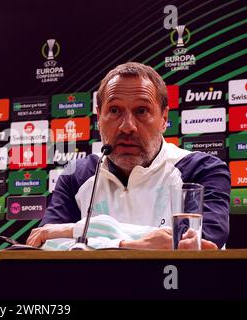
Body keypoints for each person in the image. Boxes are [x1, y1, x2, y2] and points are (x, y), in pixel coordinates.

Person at [27, 62, 230, 250]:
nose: (127, 126)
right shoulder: (76, 175)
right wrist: (133, 244)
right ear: (99, 118)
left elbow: (199, 245)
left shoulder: (202, 169)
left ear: (164, 119)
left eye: (141, 111)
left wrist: (75, 232)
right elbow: (46, 242)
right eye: (115, 110)